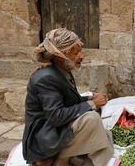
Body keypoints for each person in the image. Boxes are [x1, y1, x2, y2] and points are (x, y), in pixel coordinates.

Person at [22, 28, 113, 166]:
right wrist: (92, 104)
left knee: (106, 137)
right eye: (76, 53)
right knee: (91, 119)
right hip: (42, 139)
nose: (81, 56)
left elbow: (69, 102)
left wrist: (89, 99)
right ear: (61, 56)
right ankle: (54, 159)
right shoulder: (46, 78)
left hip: (53, 131)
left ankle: (65, 159)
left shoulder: (62, 71)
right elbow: (56, 116)